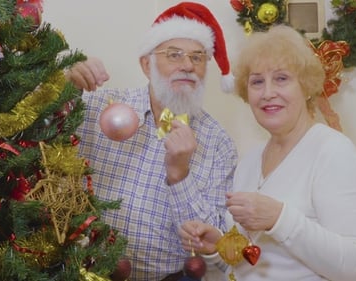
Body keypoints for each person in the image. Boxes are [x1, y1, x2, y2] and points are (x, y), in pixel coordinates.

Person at [179, 25, 356, 281]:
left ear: (305, 87)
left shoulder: (334, 152)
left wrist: (279, 218)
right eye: (257, 82)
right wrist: (217, 248)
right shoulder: (250, 162)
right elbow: (253, 262)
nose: (268, 93)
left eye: (281, 78)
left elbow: (355, 266)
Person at [66, 2, 238, 281]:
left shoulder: (219, 143)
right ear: (147, 65)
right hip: (81, 272)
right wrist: (66, 82)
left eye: (198, 58)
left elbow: (212, 245)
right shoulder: (102, 108)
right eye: (174, 55)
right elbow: (37, 133)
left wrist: (180, 175)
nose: (187, 66)